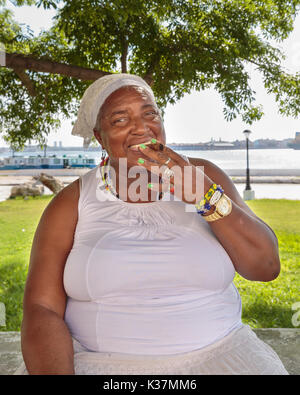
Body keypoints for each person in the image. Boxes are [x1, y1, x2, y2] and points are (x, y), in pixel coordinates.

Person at [15, 73, 288, 375]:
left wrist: (204, 195)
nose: (141, 129)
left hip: (222, 358)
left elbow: (266, 266)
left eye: (150, 114)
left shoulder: (205, 175)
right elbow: (43, 309)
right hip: (100, 365)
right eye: (120, 120)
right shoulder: (71, 203)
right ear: (98, 137)